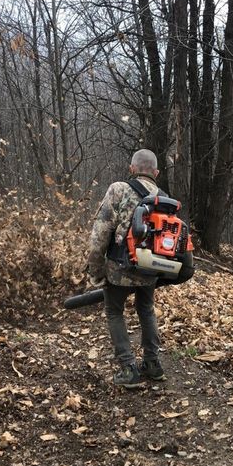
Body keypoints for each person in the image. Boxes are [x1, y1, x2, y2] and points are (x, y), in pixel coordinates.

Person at [86, 149, 165, 389]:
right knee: (146, 310)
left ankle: (128, 367)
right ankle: (152, 363)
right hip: (151, 268)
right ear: (156, 173)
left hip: (119, 268)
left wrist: (95, 270)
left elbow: (100, 234)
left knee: (114, 312)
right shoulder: (163, 198)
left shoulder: (119, 189)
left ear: (132, 169)